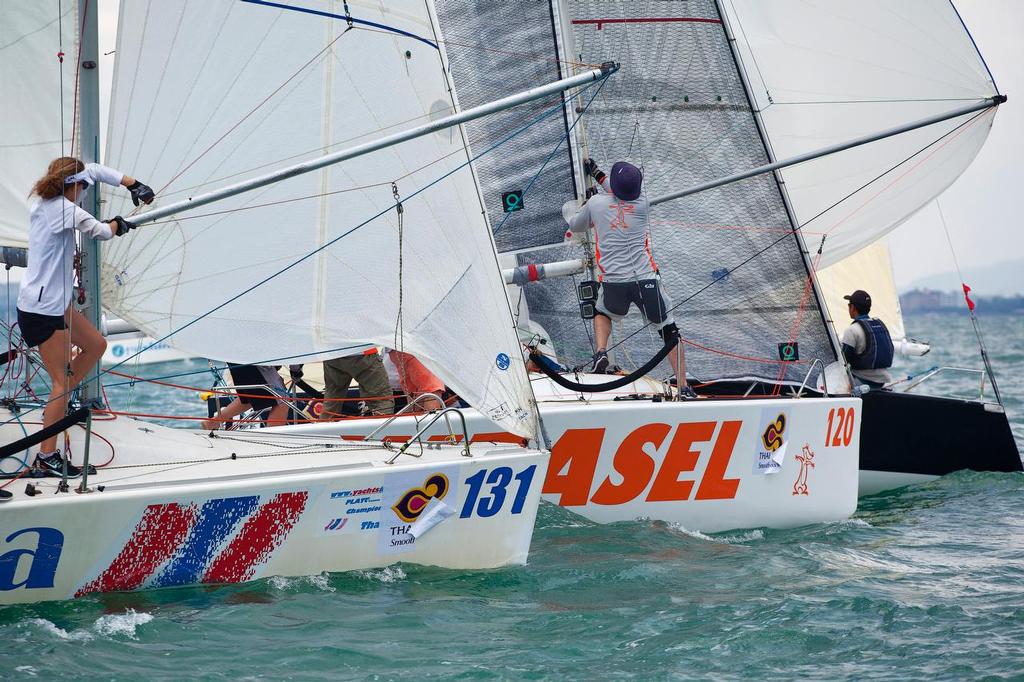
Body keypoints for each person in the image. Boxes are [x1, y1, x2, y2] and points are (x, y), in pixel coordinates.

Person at [18, 157, 153, 477]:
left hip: (55, 302)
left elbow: (92, 169)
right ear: (73, 186)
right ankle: (46, 457)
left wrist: (132, 184)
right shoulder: (61, 211)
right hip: (40, 310)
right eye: (83, 188)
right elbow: (102, 232)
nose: (85, 191)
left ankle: (59, 402)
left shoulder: (50, 196)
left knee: (96, 345)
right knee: (61, 385)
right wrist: (119, 224)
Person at [568, 158, 695, 398]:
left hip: (614, 281)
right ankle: (684, 387)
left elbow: (576, 225)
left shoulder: (595, 204)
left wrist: (588, 198)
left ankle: (601, 352)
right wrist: (599, 175)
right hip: (645, 280)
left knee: (602, 312)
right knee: (668, 329)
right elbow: (618, 194)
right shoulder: (642, 204)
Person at [202, 364, 289, 430]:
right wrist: (295, 371)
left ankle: (213, 422)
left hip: (238, 358)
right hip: (254, 359)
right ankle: (272, 443)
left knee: (249, 398)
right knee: (283, 400)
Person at [841, 289, 894, 389]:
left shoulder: (852, 330)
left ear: (852, 307)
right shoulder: (881, 325)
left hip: (862, 382)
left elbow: (842, 361)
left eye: (849, 305)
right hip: (884, 381)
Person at [321, 348, 395, 418]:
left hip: (331, 353)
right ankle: (382, 429)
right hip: (361, 351)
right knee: (381, 398)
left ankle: (323, 428)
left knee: (332, 400)